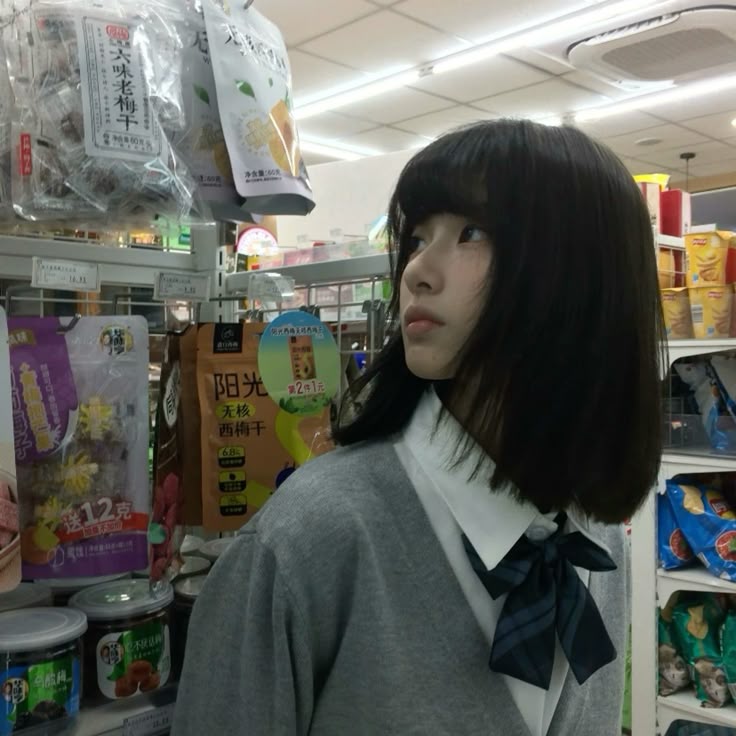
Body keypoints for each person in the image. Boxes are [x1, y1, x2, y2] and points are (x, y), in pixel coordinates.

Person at [172, 119, 663, 736]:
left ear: (583, 274)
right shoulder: (306, 544)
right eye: (418, 238)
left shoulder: (598, 539)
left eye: (471, 232)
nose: (416, 272)